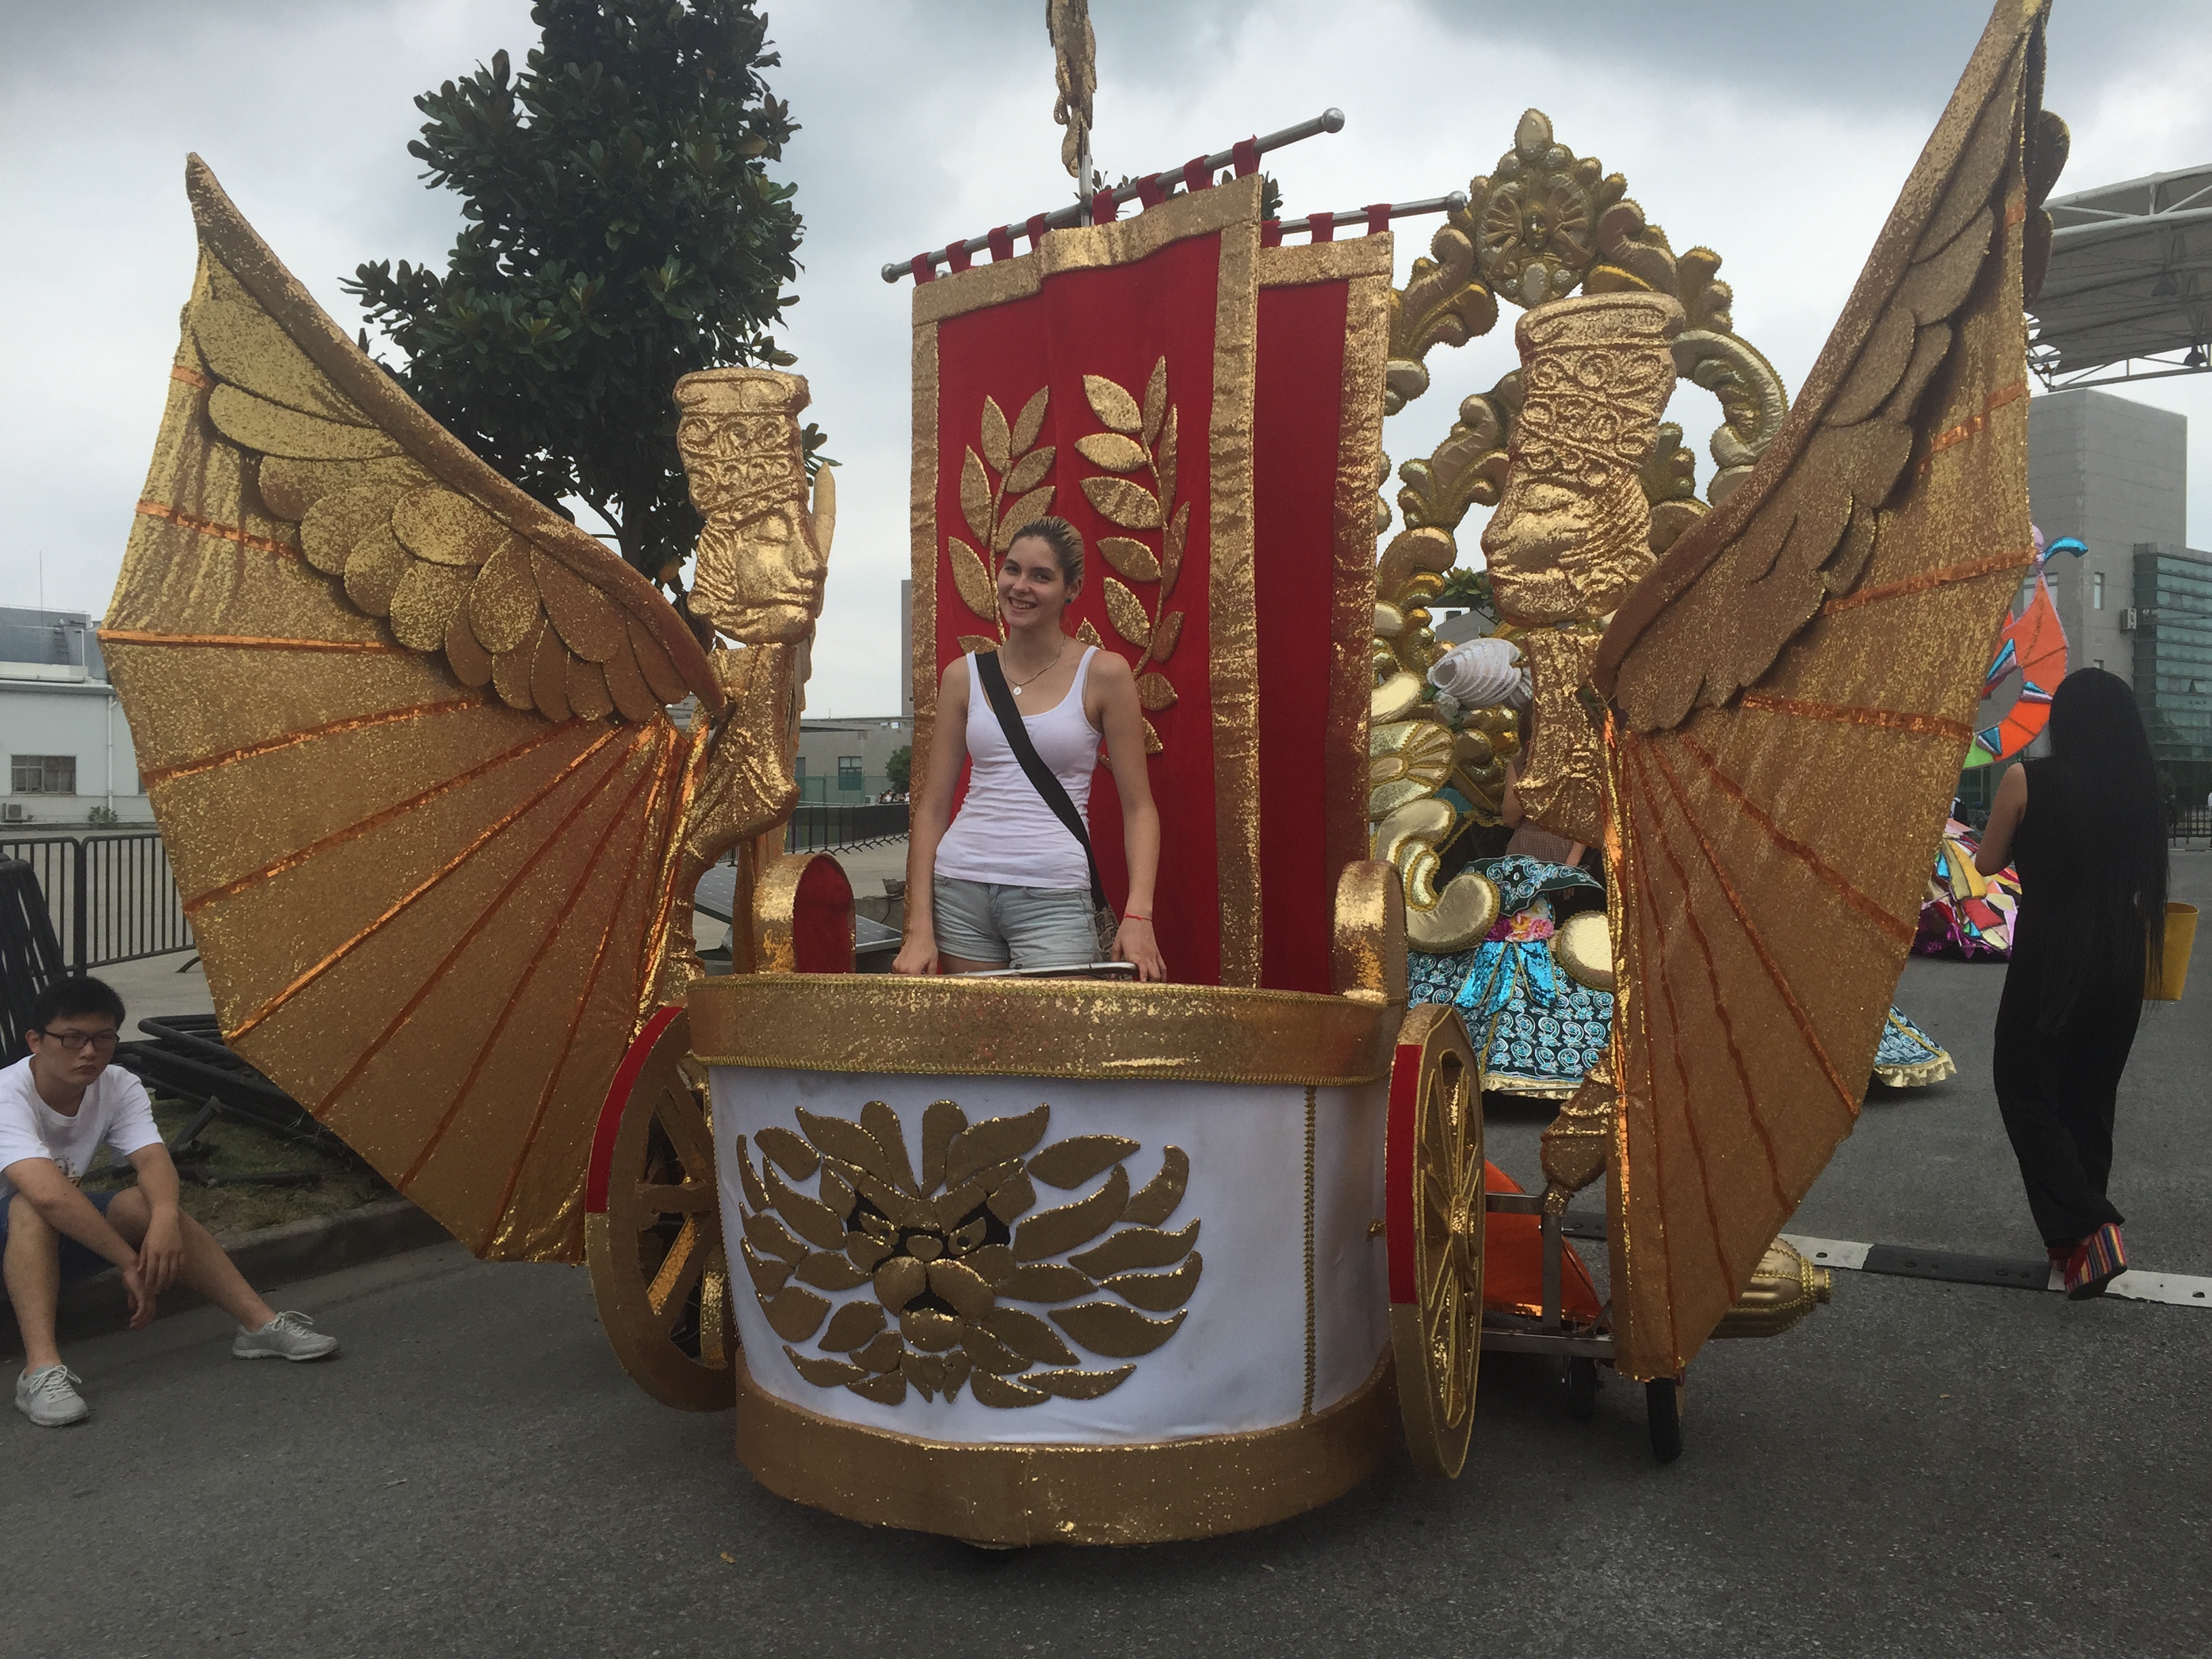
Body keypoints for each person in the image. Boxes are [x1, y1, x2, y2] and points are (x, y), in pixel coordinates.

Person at [5, 977, 337, 1428]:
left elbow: (154, 1160)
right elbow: (45, 1191)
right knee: (30, 1204)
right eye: (72, 1039)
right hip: (19, 1229)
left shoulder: (118, 1083)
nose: (88, 1052)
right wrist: (130, 1262)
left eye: (103, 1038)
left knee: (144, 1203)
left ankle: (260, 1326)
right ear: (35, 1041)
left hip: (49, 1237)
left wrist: (162, 1219)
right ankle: (40, 1370)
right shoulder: (7, 1093)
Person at [896, 517, 1166, 981]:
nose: (1020, 587)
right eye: (1012, 570)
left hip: (1054, 894)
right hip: (960, 890)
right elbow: (932, 810)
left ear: (1071, 589)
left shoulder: (1104, 673)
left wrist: (1138, 915)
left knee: (1056, 1048)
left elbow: (1139, 808)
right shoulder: (963, 676)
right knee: (978, 1048)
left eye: (1041, 576)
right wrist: (919, 927)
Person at [1975, 668, 2169, 1299]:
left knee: (2025, 1088)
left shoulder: (2028, 778)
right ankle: (2072, 1246)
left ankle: (2092, 1224)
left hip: (2050, 960)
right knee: (2090, 1098)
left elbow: (1987, 862)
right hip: (2121, 959)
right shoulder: (2143, 789)